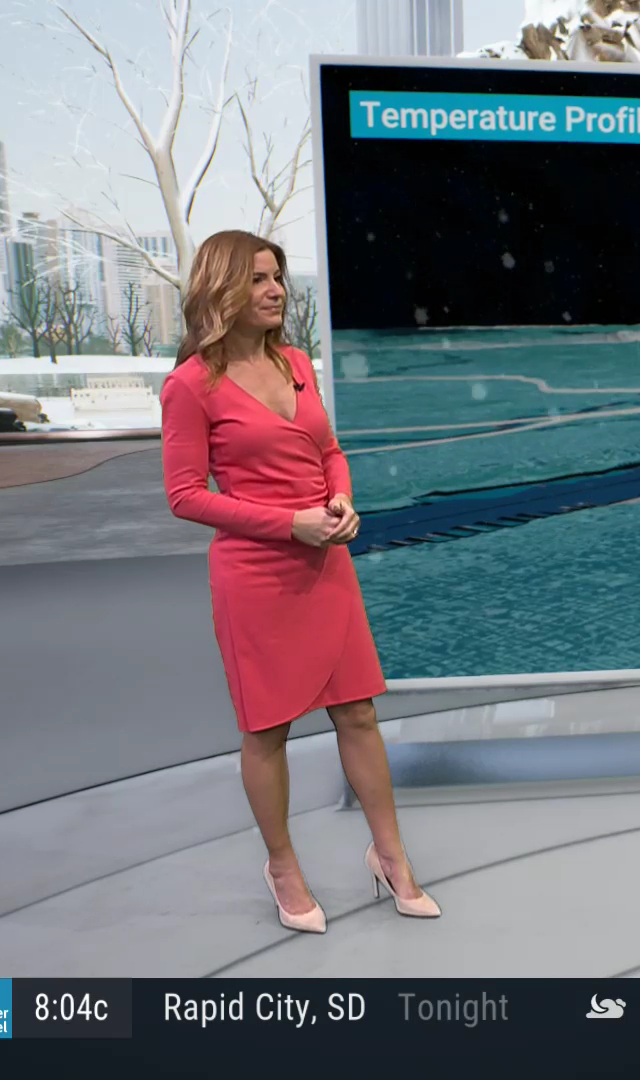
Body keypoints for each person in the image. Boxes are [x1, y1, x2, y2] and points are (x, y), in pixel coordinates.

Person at [162, 229, 440, 933]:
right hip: (256, 576)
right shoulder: (190, 385)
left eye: (278, 277)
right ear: (222, 288)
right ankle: (283, 867)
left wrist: (341, 498)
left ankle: (390, 855)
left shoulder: (294, 364)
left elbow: (329, 450)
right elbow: (185, 496)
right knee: (268, 730)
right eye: (258, 278)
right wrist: (291, 524)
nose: (276, 290)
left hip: (327, 564)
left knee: (358, 713)